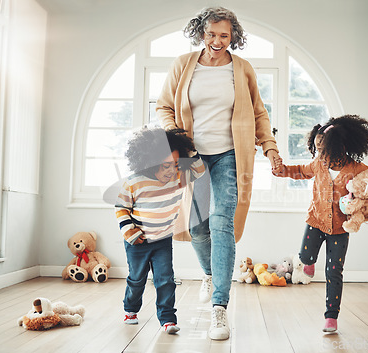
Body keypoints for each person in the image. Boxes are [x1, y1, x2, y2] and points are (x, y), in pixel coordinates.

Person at [156, 6, 282, 340]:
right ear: (201, 32)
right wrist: (175, 133)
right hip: (192, 155)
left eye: (224, 35)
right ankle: (210, 274)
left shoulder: (241, 69)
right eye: (211, 34)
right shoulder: (183, 65)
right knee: (197, 227)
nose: (216, 41)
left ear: (233, 37)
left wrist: (269, 146)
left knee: (221, 222)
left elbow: (259, 113)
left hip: (230, 154)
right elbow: (164, 106)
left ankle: (219, 308)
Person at [272, 115, 368, 333]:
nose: (319, 156)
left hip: (340, 230)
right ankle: (309, 262)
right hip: (315, 221)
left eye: (323, 151)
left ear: (340, 147)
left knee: (334, 272)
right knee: (305, 258)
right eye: (316, 150)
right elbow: (299, 171)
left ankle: (331, 317)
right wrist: (282, 170)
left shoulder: (357, 169)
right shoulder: (317, 165)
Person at [115, 127, 205, 334]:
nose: (170, 170)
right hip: (138, 241)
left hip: (163, 240)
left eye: (175, 164)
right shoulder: (134, 182)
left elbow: (199, 170)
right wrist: (129, 232)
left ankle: (167, 319)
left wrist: (187, 149)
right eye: (165, 166)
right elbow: (121, 208)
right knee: (137, 279)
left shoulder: (177, 178)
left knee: (165, 280)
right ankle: (130, 309)